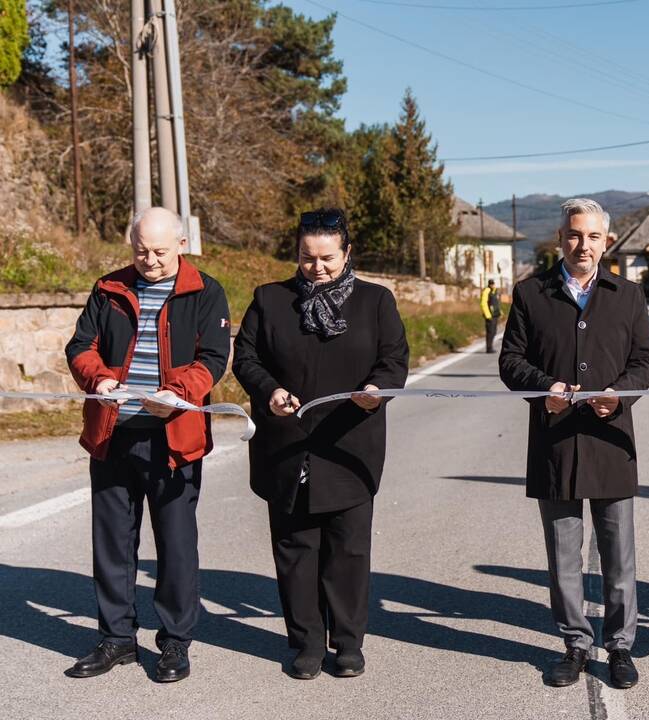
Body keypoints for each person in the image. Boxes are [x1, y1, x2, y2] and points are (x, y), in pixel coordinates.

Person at [232, 208, 409, 680]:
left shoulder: (375, 301)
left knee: (348, 553)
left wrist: (376, 392)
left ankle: (348, 643)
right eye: (308, 258)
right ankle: (306, 642)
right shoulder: (270, 300)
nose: (318, 268)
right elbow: (245, 357)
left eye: (327, 257)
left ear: (347, 252)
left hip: (350, 446)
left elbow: (394, 361)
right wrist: (268, 391)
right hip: (287, 446)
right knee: (295, 551)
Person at [63, 207, 232, 682]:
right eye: (141, 251)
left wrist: (177, 395)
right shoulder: (109, 288)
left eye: (159, 251)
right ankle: (116, 639)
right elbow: (80, 347)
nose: (150, 261)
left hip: (174, 439)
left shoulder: (206, 291)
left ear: (182, 244)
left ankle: (175, 642)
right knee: (112, 543)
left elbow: (213, 359)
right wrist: (98, 379)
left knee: (176, 545)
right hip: (113, 434)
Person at [499, 198, 649, 689]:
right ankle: (574, 644)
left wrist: (621, 396)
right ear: (560, 239)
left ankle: (621, 647)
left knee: (618, 553)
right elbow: (511, 362)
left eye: (592, 236)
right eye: (574, 235)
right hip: (556, 442)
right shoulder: (530, 294)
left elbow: (645, 362)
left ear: (606, 241)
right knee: (563, 554)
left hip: (610, 440)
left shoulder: (627, 296)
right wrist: (543, 389)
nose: (582, 244)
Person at [481, 279, 501, 353]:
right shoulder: (486, 291)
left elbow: (496, 304)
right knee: (490, 332)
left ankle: (490, 347)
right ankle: (489, 348)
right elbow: (483, 303)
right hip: (489, 315)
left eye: (493, 284)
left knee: (494, 331)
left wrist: (500, 312)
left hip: (495, 315)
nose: (492, 285)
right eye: (491, 284)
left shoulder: (495, 291)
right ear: (489, 284)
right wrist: (487, 314)